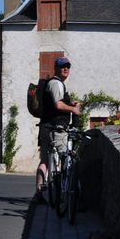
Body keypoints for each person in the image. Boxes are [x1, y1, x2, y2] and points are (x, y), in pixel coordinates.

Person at [36, 57, 81, 201]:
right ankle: (61, 193)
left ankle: (39, 194)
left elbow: (55, 104)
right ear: (55, 68)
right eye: (62, 66)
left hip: (45, 126)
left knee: (45, 160)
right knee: (63, 158)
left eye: (68, 66)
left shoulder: (53, 83)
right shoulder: (56, 83)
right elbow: (58, 105)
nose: (66, 69)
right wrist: (73, 109)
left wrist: (69, 104)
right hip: (57, 128)